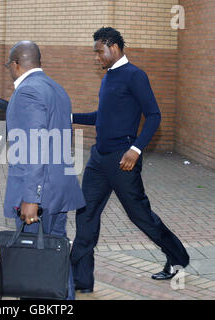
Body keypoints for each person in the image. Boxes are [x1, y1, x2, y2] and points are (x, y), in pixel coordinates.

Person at [70, 27, 190, 293]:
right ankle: (80, 279)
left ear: (113, 47)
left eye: (99, 52)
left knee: (140, 216)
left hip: (122, 160)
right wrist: (69, 117)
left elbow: (154, 116)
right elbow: (102, 117)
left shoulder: (135, 76)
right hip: (98, 159)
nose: (96, 57)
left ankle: (178, 257)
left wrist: (135, 149)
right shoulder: (109, 77)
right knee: (86, 212)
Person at [3, 40, 85, 300]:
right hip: (60, 191)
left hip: (40, 196)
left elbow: (35, 146)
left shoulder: (27, 92)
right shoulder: (57, 89)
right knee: (55, 260)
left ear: (16, 64)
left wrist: (31, 198)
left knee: (33, 266)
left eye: (9, 66)